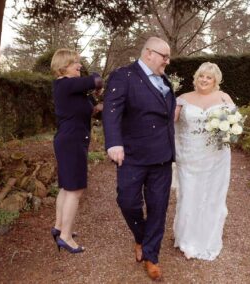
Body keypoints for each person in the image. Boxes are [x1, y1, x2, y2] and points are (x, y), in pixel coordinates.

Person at [102, 37, 175, 281]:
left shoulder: (164, 81)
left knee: (158, 207)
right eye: (164, 56)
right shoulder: (124, 75)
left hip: (162, 156)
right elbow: (112, 109)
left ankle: (151, 256)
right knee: (127, 201)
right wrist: (114, 142)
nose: (167, 61)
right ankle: (141, 237)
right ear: (148, 54)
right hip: (132, 155)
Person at [173, 62, 235, 260]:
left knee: (212, 196)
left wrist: (229, 130)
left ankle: (206, 237)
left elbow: (234, 124)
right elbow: (169, 122)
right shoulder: (183, 99)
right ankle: (186, 238)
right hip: (189, 156)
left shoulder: (224, 98)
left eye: (209, 77)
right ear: (196, 77)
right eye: (201, 76)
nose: (204, 80)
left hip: (216, 157)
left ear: (215, 80)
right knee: (189, 194)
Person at [50, 48, 103, 253]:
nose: (80, 66)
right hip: (71, 142)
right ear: (63, 67)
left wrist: (104, 103)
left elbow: (93, 109)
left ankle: (59, 227)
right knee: (76, 189)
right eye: (75, 63)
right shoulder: (64, 84)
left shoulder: (75, 90)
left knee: (66, 186)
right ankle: (65, 236)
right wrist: (98, 86)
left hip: (70, 140)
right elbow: (96, 79)